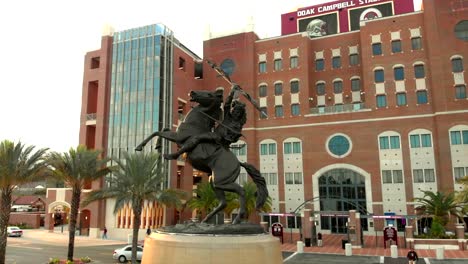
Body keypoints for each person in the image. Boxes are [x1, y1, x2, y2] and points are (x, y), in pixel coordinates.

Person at [164, 84, 246, 160]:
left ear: (241, 114)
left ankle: (177, 154)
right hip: (215, 133)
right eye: (235, 111)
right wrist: (232, 92)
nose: (236, 113)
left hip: (219, 137)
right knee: (199, 137)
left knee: (197, 137)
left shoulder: (238, 124)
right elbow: (227, 104)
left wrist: (231, 136)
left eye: (238, 112)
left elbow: (235, 137)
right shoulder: (228, 116)